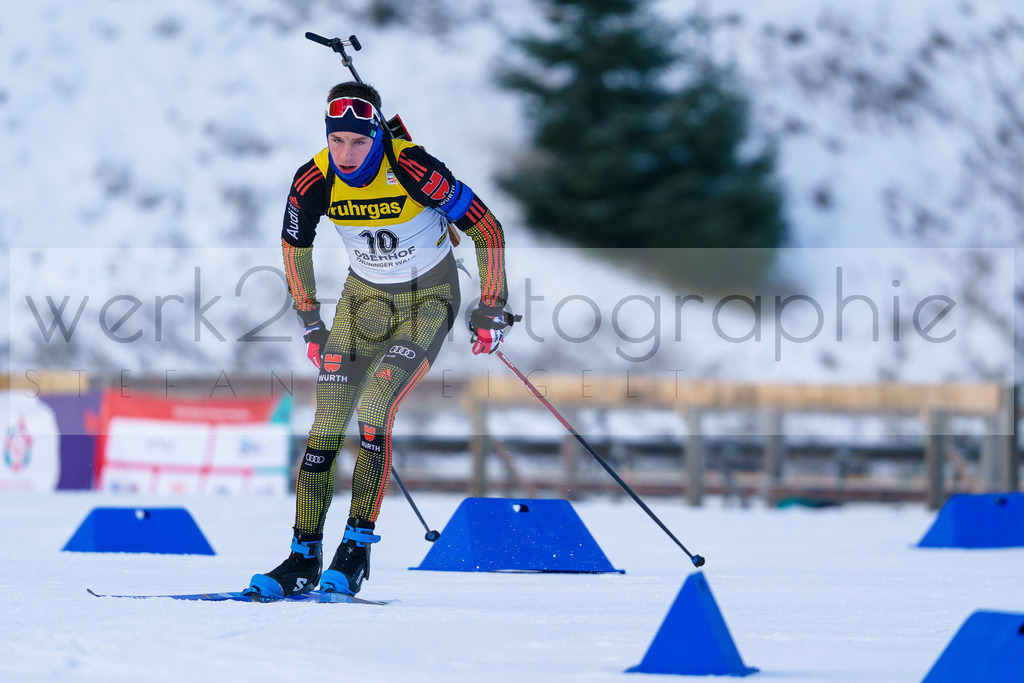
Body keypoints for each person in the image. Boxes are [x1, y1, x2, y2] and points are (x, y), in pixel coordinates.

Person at [244, 81, 511, 600]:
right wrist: (311, 322)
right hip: (360, 304)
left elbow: (488, 230)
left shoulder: (414, 169)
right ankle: (303, 557)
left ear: (377, 138)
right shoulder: (313, 179)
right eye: (336, 141)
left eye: (358, 142)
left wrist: (491, 308)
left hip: (428, 301)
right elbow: (293, 246)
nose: (346, 154)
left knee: (374, 407)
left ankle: (356, 550)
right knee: (324, 426)